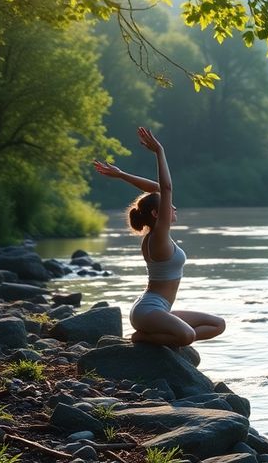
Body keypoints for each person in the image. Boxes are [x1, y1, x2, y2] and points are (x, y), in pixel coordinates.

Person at [92, 127, 225, 347]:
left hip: (158, 309)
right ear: (157, 214)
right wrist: (159, 151)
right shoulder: (158, 237)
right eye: (169, 207)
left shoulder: (158, 235)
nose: (173, 208)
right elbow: (166, 187)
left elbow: (158, 190)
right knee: (187, 336)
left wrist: (121, 175)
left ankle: (155, 334)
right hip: (148, 311)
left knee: (218, 325)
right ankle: (141, 337)